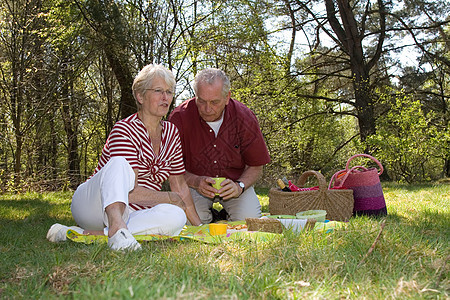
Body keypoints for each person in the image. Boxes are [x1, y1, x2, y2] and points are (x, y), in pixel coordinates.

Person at [47, 64, 202, 251]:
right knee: (120, 163)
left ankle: (93, 234)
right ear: (140, 96)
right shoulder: (125, 129)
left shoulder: (171, 133)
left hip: (133, 212)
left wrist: (200, 228)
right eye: (158, 91)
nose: (165, 98)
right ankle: (116, 227)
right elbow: (130, 192)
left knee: (177, 216)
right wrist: (169, 196)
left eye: (169, 92)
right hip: (94, 204)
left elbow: (180, 186)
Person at [168, 68, 270, 224]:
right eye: (201, 101)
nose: (207, 109)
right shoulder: (179, 118)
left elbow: (256, 165)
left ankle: (222, 215)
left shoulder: (245, 117)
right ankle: (215, 217)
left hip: (235, 185)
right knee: (189, 223)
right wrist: (196, 182)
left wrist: (239, 186)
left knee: (248, 222)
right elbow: (171, 168)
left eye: (214, 102)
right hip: (194, 187)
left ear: (227, 97)